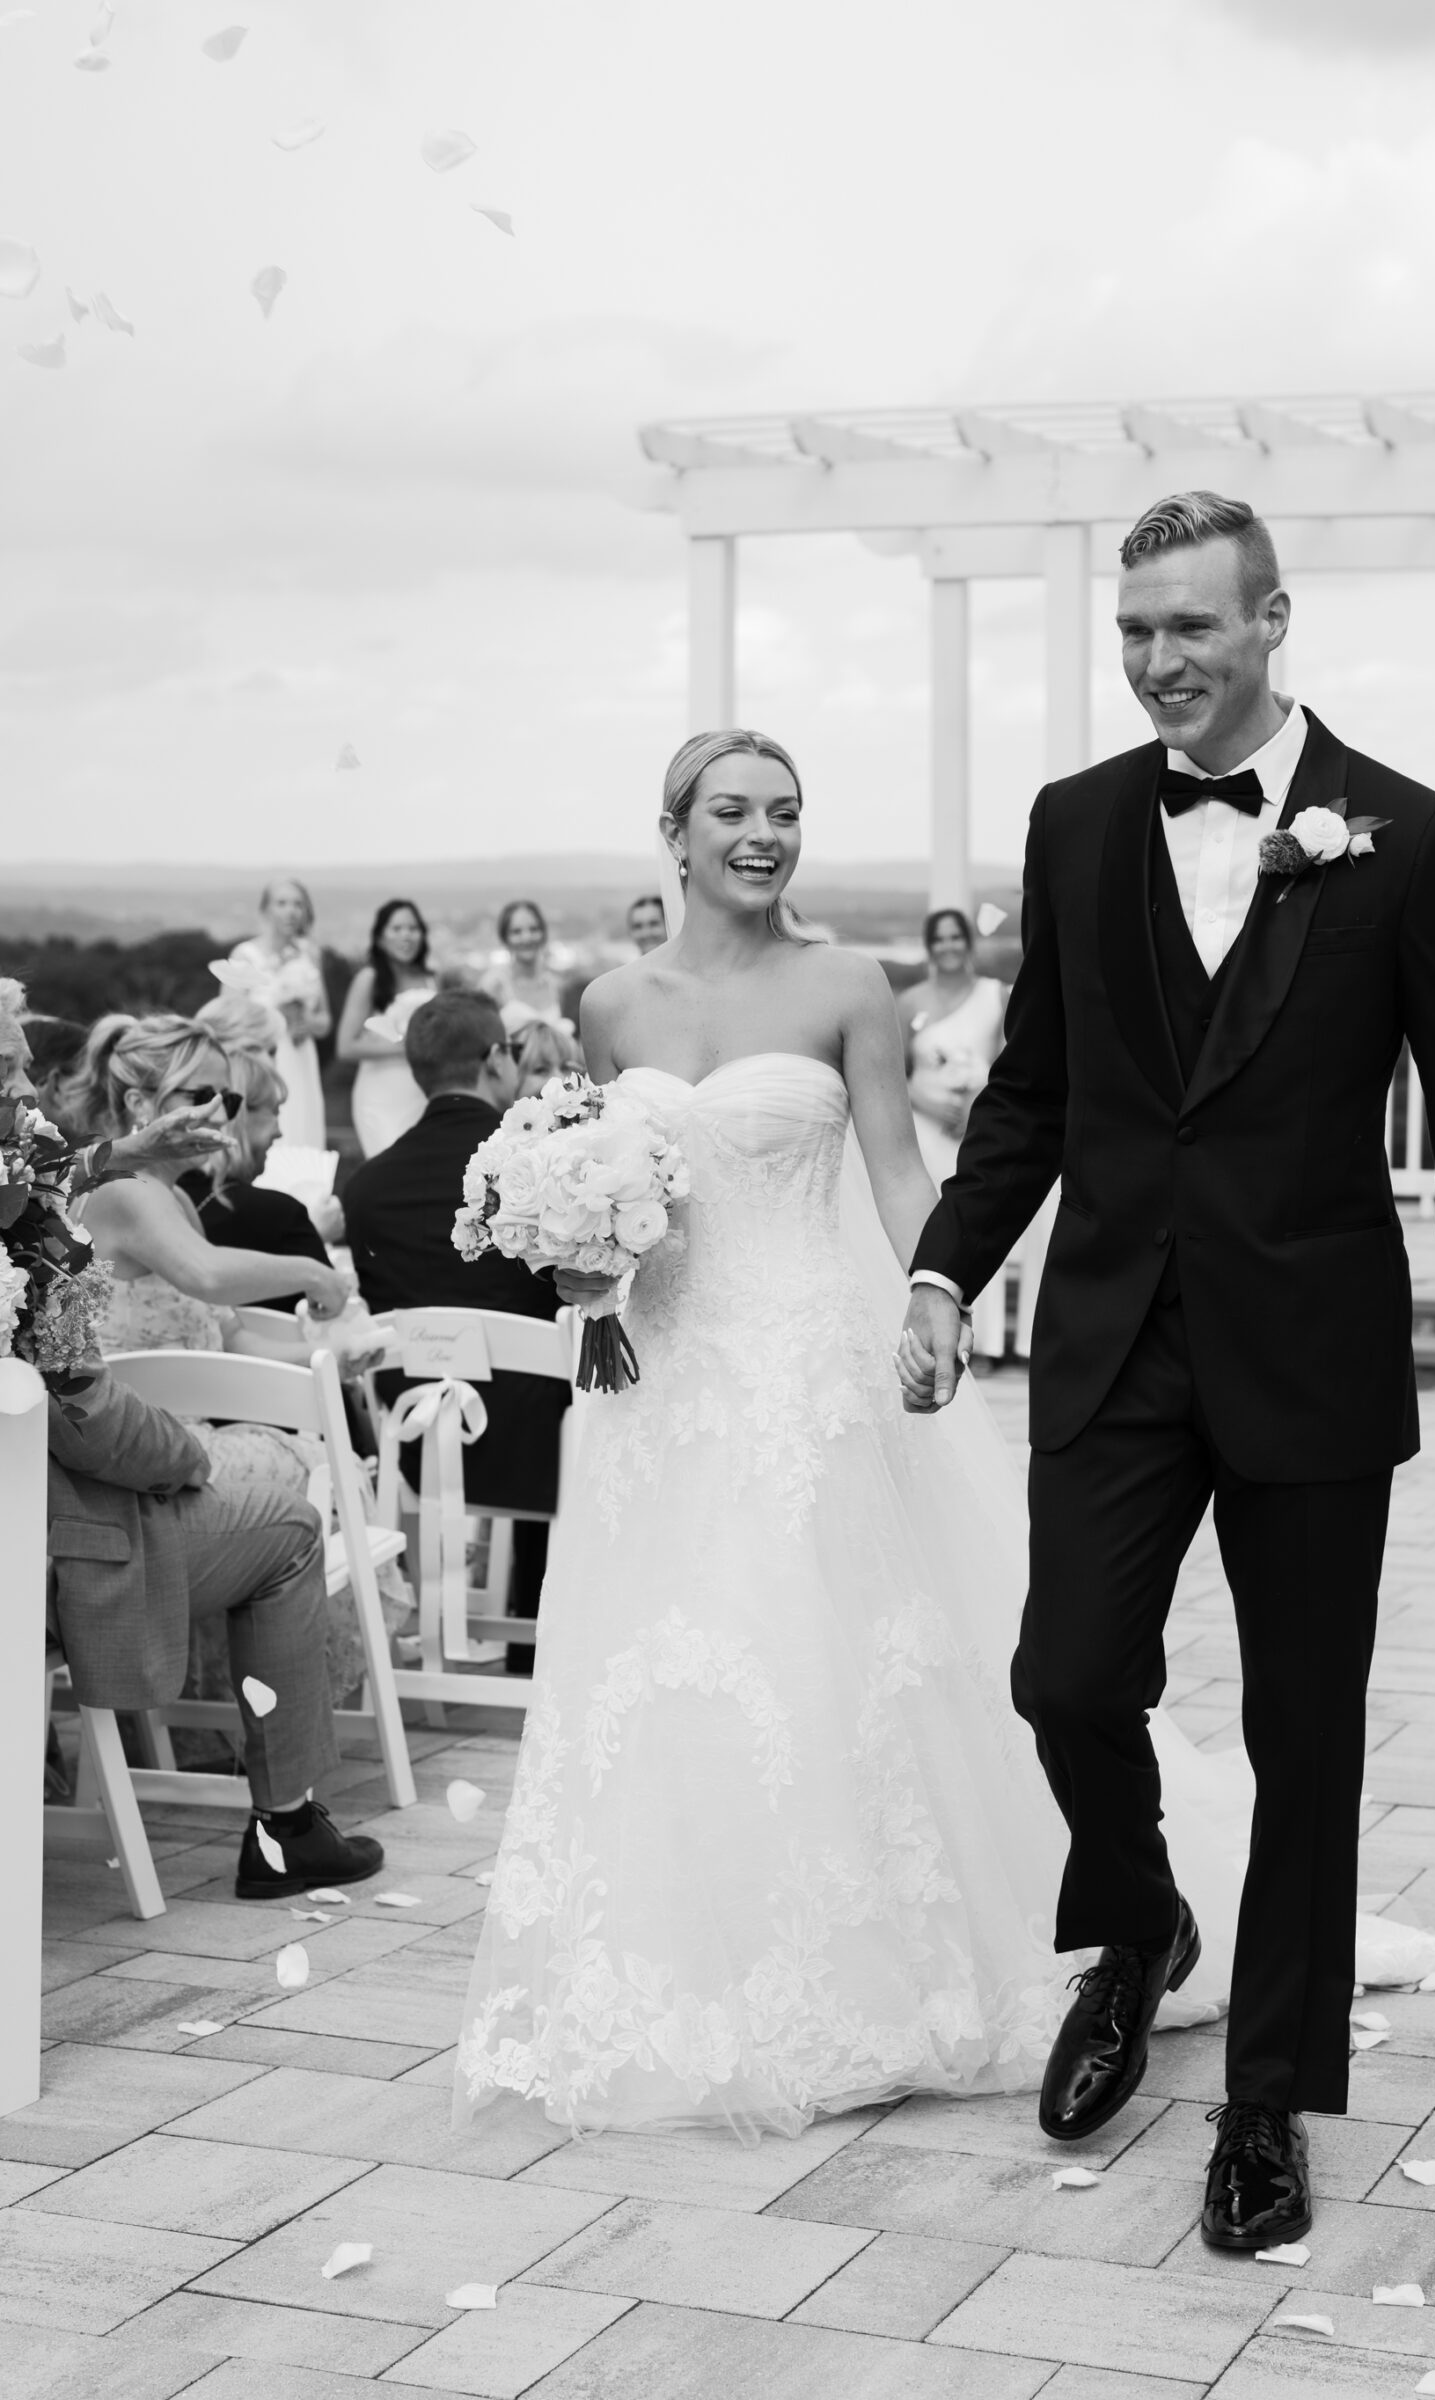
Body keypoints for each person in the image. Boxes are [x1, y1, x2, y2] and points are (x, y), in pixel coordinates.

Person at [455, 729, 1262, 2141]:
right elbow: (618, 1185)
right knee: (676, 1664)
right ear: (675, 830)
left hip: (811, 1370)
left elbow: (895, 1164)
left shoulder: (848, 987)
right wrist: (586, 1269)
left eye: (783, 812)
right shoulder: (608, 1005)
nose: (761, 835)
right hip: (662, 1386)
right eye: (731, 812)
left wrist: (932, 1298)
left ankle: (892, 1966)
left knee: (812, 1650)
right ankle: (699, 1959)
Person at [900, 490, 1435, 2254]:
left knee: (1303, 1733)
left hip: (1312, 1352)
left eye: (1190, 628)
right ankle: (1139, 1922)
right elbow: (1031, 1085)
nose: (1158, 663)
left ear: (1272, 621)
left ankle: (1268, 2098)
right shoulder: (1077, 822)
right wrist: (948, 1266)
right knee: (1064, 1672)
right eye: (1133, 634)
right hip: (1113, 1332)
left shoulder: (1402, 837)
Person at [0, 1002, 382, 1901]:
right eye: (7, 1072)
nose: (29, 1088)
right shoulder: (35, 1239)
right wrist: (189, 1457)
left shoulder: (65, 1196)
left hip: (48, 1522)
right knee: (289, 1524)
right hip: (54, 1554)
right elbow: (82, 1409)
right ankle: (286, 1823)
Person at [342, 991, 567, 1671]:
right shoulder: (540, 1165)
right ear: (496, 1059)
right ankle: (546, 1633)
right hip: (541, 1439)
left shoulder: (367, 1187)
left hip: (420, 1439)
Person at [66, 1015, 354, 1354]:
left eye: (227, 1101)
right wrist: (314, 1274)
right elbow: (207, 1274)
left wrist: (336, 1356)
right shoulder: (126, 1188)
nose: (218, 1117)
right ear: (138, 1103)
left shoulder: (178, 1199)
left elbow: (232, 1339)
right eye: (202, 1097)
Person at [901, 906, 1011, 1365]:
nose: (948, 947)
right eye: (939, 939)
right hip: (927, 1134)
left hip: (977, 1132)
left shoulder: (994, 996)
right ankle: (928, 1328)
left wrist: (974, 1109)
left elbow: (1011, 1067)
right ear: (930, 947)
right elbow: (893, 1074)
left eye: (956, 938)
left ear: (969, 943)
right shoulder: (909, 1003)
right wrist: (928, 1103)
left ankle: (984, 1343)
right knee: (935, 1227)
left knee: (984, 1225)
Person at [180, 1045, 332, 1311]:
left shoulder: (162, 1199)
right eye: (274, 1112)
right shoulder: (281, 1215)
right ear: (238, 1114)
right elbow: (336, 1315)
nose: (280, 1132)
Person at [226, 877, 332, 1149]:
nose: (291, 911)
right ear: (266, 910)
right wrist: (276, 1018)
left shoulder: (309, 954)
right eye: (282, 903)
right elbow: (228, 1018)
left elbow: (325, 1021)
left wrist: (306, 1023)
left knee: (303, 1128)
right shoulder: (245, 955)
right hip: (264, 1059)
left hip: (301, 1057)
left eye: (298, 904)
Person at [337, 898, 436, 1161]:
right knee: (388, 1161)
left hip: (423, 1092)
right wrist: (403, 1047)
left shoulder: (431, 978)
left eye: (413, 928)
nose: (406, 936)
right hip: (381, 1093)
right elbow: (345, 1046)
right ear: (380, 937)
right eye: (397, 928)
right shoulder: (368, 980)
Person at [482, 899, 571, 1033]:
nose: (526, 938)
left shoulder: (557, 986)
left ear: (543, 934)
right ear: (505, 938)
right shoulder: (494, 986)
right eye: (516, 932)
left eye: (533, 929)